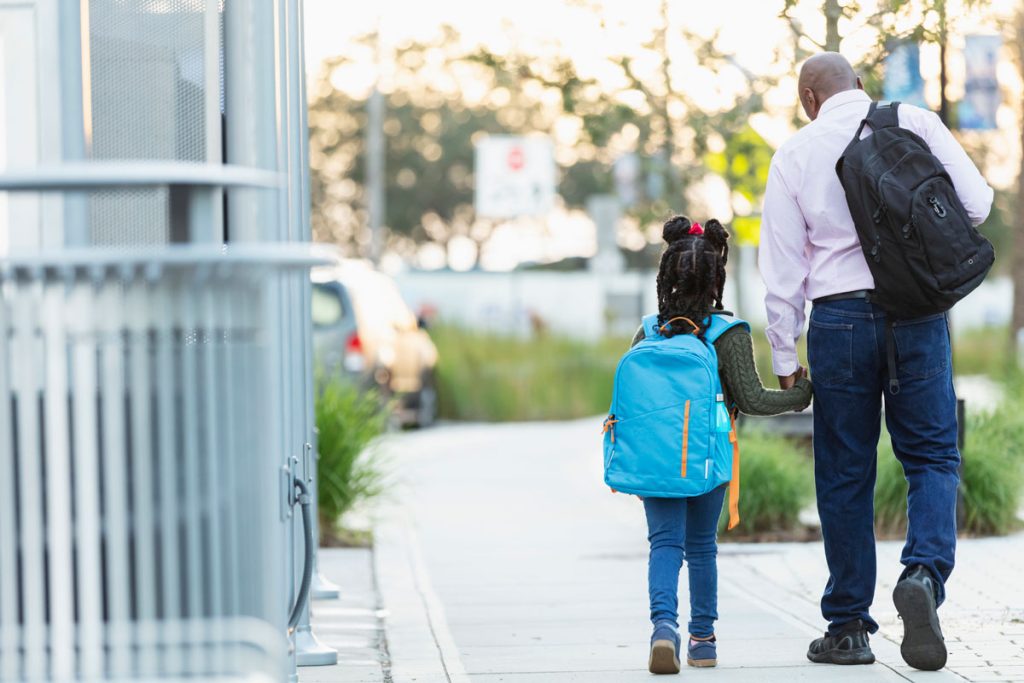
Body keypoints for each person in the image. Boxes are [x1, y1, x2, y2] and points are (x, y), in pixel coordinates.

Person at [759, 52, 994, 670]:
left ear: (810, 99)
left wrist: (786, 356)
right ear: (859, 86)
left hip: (838, 322)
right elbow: (977, 204)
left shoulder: (795, 154)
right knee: (933, 455)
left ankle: (847, 628)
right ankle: (922, 574)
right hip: (915, 312)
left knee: (843, 473)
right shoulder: (912, 121)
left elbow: (782, 274)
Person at [631, 215, 812, 674]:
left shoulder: (648, 332)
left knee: (664, 545)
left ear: (667, 274)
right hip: (708, 458)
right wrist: (801, 394)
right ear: (717, 277)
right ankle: (704, 640)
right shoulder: (727, 334)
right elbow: (752, 399)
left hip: (654, 460)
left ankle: (663, 629)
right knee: (701, 548)